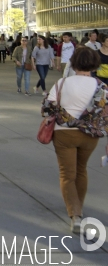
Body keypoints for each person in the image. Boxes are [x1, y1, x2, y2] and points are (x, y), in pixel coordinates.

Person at [43, 47, 108, 233]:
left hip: (64, 133)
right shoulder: (101, 87)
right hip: (90, 136)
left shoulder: (62, 83)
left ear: (74, 62)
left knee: (66, 173)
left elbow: (48, 108)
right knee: (81, 170)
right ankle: (79, 206)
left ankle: (75, 214)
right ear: (95, 63)